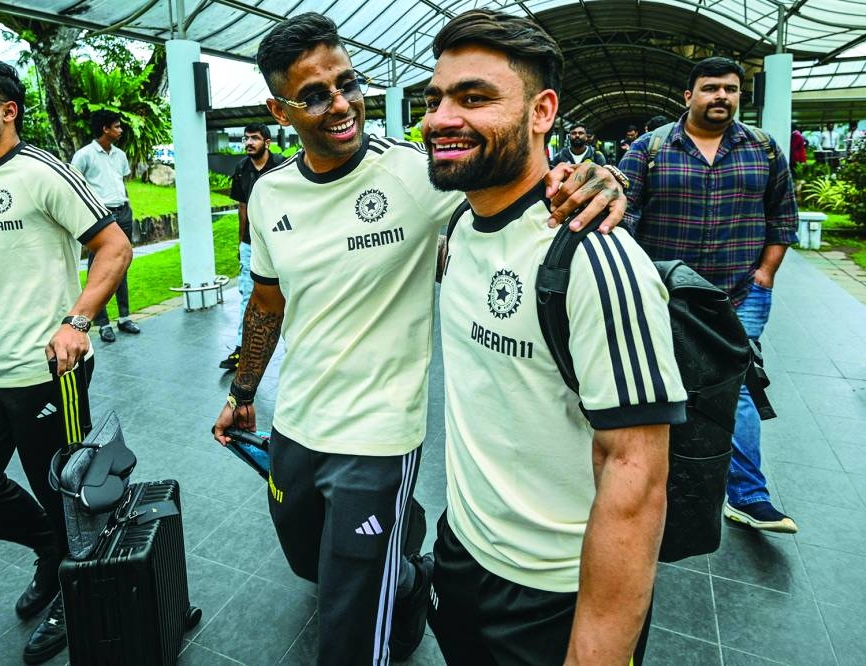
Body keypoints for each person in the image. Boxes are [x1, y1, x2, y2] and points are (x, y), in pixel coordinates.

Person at [211, 12, 628, 665]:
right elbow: (267, 301)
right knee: (309, 563)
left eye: (347, 84)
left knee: (348, 632)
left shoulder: (412, 173)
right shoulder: (269, 195)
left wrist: (594, 177)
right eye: (314, 96)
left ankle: (387, 584)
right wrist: (244, 391)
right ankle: (408, 579)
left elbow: (508, 179)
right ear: (279, 109)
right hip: (296, 424)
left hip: (379, 440)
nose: (342, 104)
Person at [422, 10, 686, 664]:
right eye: (435, 99)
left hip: (552, 594)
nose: (441, 117)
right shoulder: (457, 224)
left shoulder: (596, 258)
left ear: (542, 111)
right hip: (463, 557)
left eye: (475, 97)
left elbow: (637, 476)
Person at [0, 55, 131, 665]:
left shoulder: (40, 171)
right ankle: (52, 551)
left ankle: (77, 588)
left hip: (50, 371)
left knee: (67, 494)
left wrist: (77, 322)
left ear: (6, 111)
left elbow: (113, 247)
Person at [620, 56, 799, 534]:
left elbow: (782, 215)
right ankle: (650, 484)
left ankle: (747, 497)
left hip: (740, 294)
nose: (722, 96)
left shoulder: (762, 149)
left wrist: (766, 274)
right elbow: (623, 217)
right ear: (688, 96)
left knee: (733, 385)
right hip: (666, 295)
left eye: (731, 89)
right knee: (656, 386)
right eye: (711, 88)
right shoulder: (650, 148)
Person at [71, 109, 140, 343]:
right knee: (96, 272)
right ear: (105, 129)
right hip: (100, 217)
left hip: (122, 212)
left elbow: (122, 183)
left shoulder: (120, 155)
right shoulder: (84, 155)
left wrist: (128, 208)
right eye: (117, 126)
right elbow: (75, 187)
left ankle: (124, 318)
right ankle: (102, 324)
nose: (120, 130)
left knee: (121, 265)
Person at [219, 122, 283, 371]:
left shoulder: (281, 166)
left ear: (267, 142)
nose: (248, 142)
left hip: (279, 241)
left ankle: (296, 350)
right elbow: (242, 208)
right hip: (250, 244)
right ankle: (241, 350)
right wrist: (241, 242)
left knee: (288, 293)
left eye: (254, 138)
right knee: (247, 295)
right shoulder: (242, 168)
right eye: (246, 138)